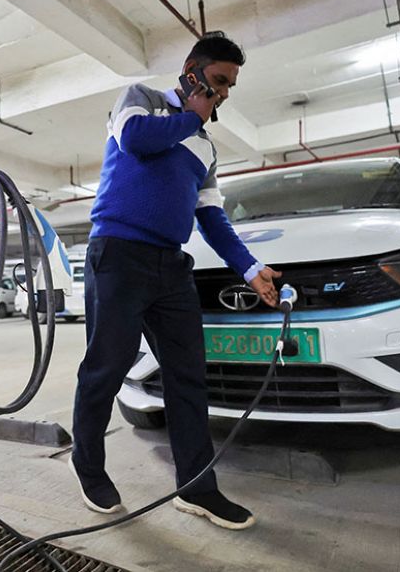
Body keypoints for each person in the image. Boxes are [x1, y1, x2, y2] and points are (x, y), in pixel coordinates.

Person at [69, 32, 281, 531]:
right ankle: (89, 468)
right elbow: (136, 141)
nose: (224, 93)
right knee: (106, 368)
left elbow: (212, 219)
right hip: (117, 255)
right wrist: (191, 114)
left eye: (230, 86)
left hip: (170, 266)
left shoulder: (206, 150)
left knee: (188, 376)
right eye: (218, 81)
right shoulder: (142, 100)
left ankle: (197, 488)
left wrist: (250, 268)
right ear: (192, 71)